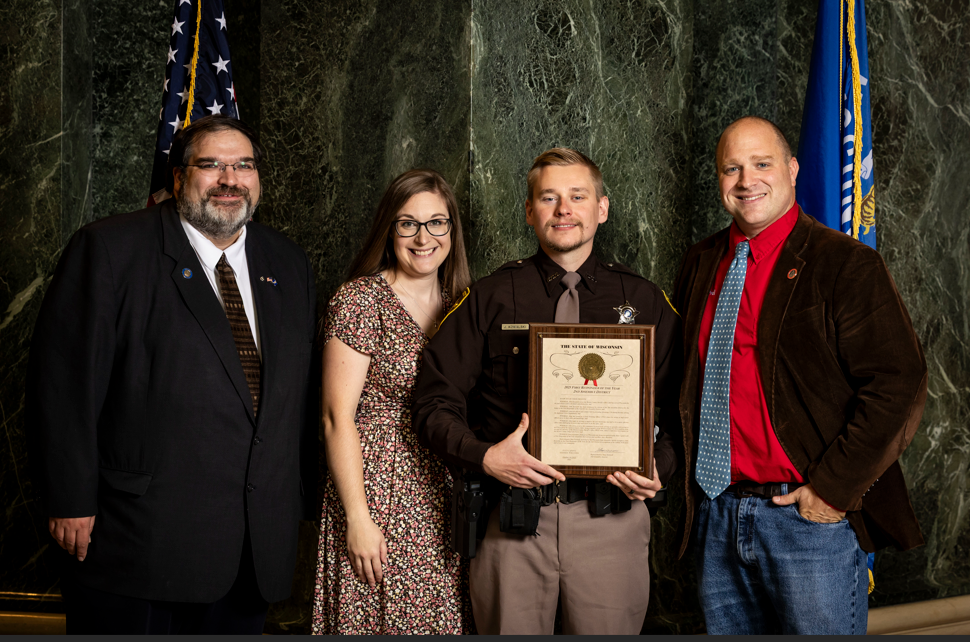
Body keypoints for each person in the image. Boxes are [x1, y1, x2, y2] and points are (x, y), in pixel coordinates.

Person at [25, 115, 317, 634]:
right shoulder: (110, 249)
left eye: (244, 165)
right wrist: (69, 499)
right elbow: (64, 385)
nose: (230, 179)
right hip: (137, 542)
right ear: (179, 178)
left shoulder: (288, 262)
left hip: (252, 547)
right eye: (212, 164)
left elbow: (297, 399)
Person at [671, 115, 927, 635]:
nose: (747, 180)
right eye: (732, 169)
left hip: (806, 520)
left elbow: (898, 384)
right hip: (717, 515)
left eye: (761, 164)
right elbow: (679, 381)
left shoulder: (845, 263)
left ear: (791, 169)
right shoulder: (701, 262)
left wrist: (831, 491)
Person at [412, 148, 682, 635]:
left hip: (611, 521)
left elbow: (686, 407)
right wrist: (484, 456)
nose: (564, 210)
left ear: (602, 208)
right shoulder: (491, 296)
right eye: (549, 197)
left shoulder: (643, 299)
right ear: (529, 211)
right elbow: (433, 401)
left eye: (578, 196)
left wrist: (659, 466)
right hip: (512, 521)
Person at [311, 169, 474, 634]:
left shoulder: (464, 303)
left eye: (436, 222)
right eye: (408, 224)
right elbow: (335, 418)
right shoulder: (361, 300)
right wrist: (357, 518)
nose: (424, 238)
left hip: (447, 491)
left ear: (452, 230)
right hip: (379, 488)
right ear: (390, 229)